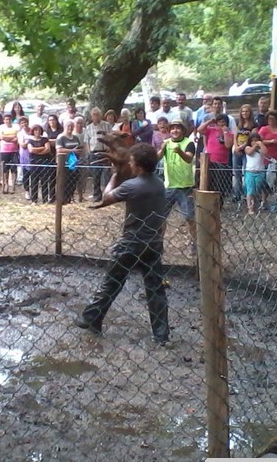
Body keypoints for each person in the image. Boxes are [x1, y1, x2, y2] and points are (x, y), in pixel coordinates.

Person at [75, 143, 170, 346]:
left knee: (112, 283)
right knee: (155, 289)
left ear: (139, 166)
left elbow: (105, 198)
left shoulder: (132, 186)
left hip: (131, 244)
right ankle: (161, 336)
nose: (130, 164)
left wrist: (115, 174)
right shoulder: (159, 184)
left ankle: (91, 317)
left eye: (132, 162)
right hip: (153, 243)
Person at [157, 118, 196, 253]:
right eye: (172, 128)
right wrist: (161, 150)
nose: (175, 130)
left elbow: (189, 158)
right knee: (160, 217)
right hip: (169, 186)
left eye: (178, 128)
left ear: (183, 130)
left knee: (189, 217)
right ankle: (158, 244)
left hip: (185, 187)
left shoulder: (189, 143)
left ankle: (194, 243)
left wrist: (179, 151)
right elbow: (157, 158)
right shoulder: (166, 143)